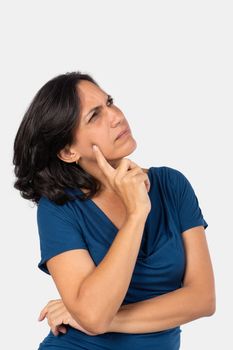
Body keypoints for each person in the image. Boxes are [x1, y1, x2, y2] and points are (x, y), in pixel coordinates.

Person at [13, 71, 216, 350]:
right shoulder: (59, 209)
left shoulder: (172, 186)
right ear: (69, 152)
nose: (116, 116)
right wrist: (136, 215)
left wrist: (95, 318)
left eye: (109, 102)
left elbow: (202, 300)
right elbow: (94, 315)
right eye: (94, 116)